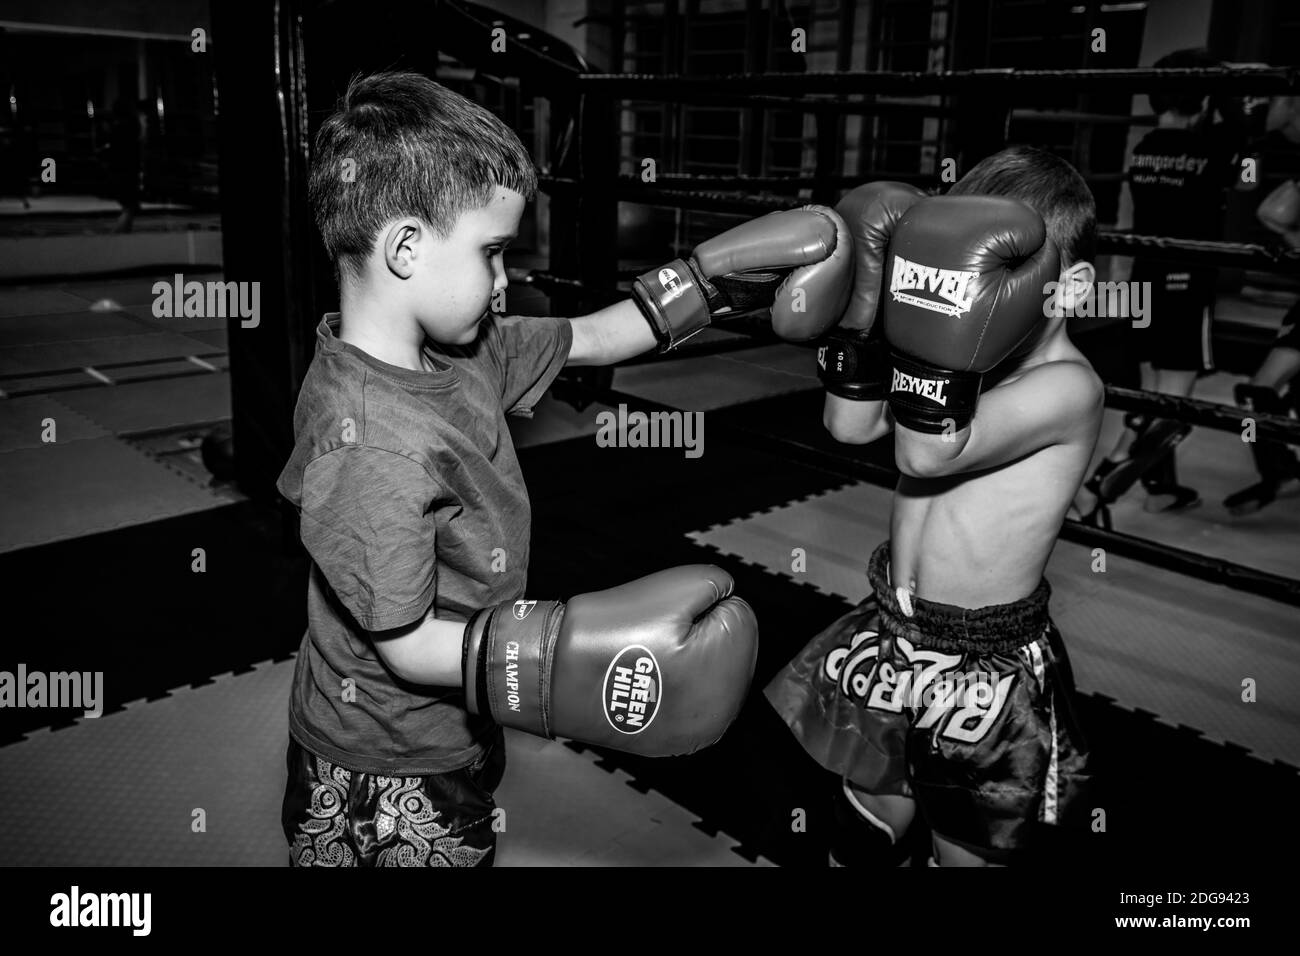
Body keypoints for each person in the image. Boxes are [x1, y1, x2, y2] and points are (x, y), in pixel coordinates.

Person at [277, 71, 854, 866]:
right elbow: (405, 649)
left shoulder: (463, 353)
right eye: (493, 252)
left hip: (457, 717)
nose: (508, 279)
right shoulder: (370, 444)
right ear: (406, 248)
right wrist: (568, 663)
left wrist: (716, 282)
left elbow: (592, 338)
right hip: (381, 758)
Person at [768, 146, 1101, 866]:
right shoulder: (966, 368)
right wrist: (860, 321)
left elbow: (926, 453)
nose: (978, 298)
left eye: (1004, 282)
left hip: (985, 668)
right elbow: (850, 426)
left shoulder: (1070, 388)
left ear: (1067, 288)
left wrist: (934, 339)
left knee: (963, 854)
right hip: (893, 632)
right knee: (859, 830)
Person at [1076, 49, 1254, 519]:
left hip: (1147, 281)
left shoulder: (1146, 146)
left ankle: (1159, 488)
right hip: (1186, 284)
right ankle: (1098, 487)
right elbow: (1248, 182)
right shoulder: (1214, 149)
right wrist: (1239, 122)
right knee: (1175, 410)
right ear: (1207, 98)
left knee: (1154, 390)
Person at [1223, 94, 1300, 514]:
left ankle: (1281, 465)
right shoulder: (1250, 141)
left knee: (1259, 393)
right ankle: (1280, 466)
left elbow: (1271, 210)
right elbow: (1266, 207)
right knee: (1257, 393)